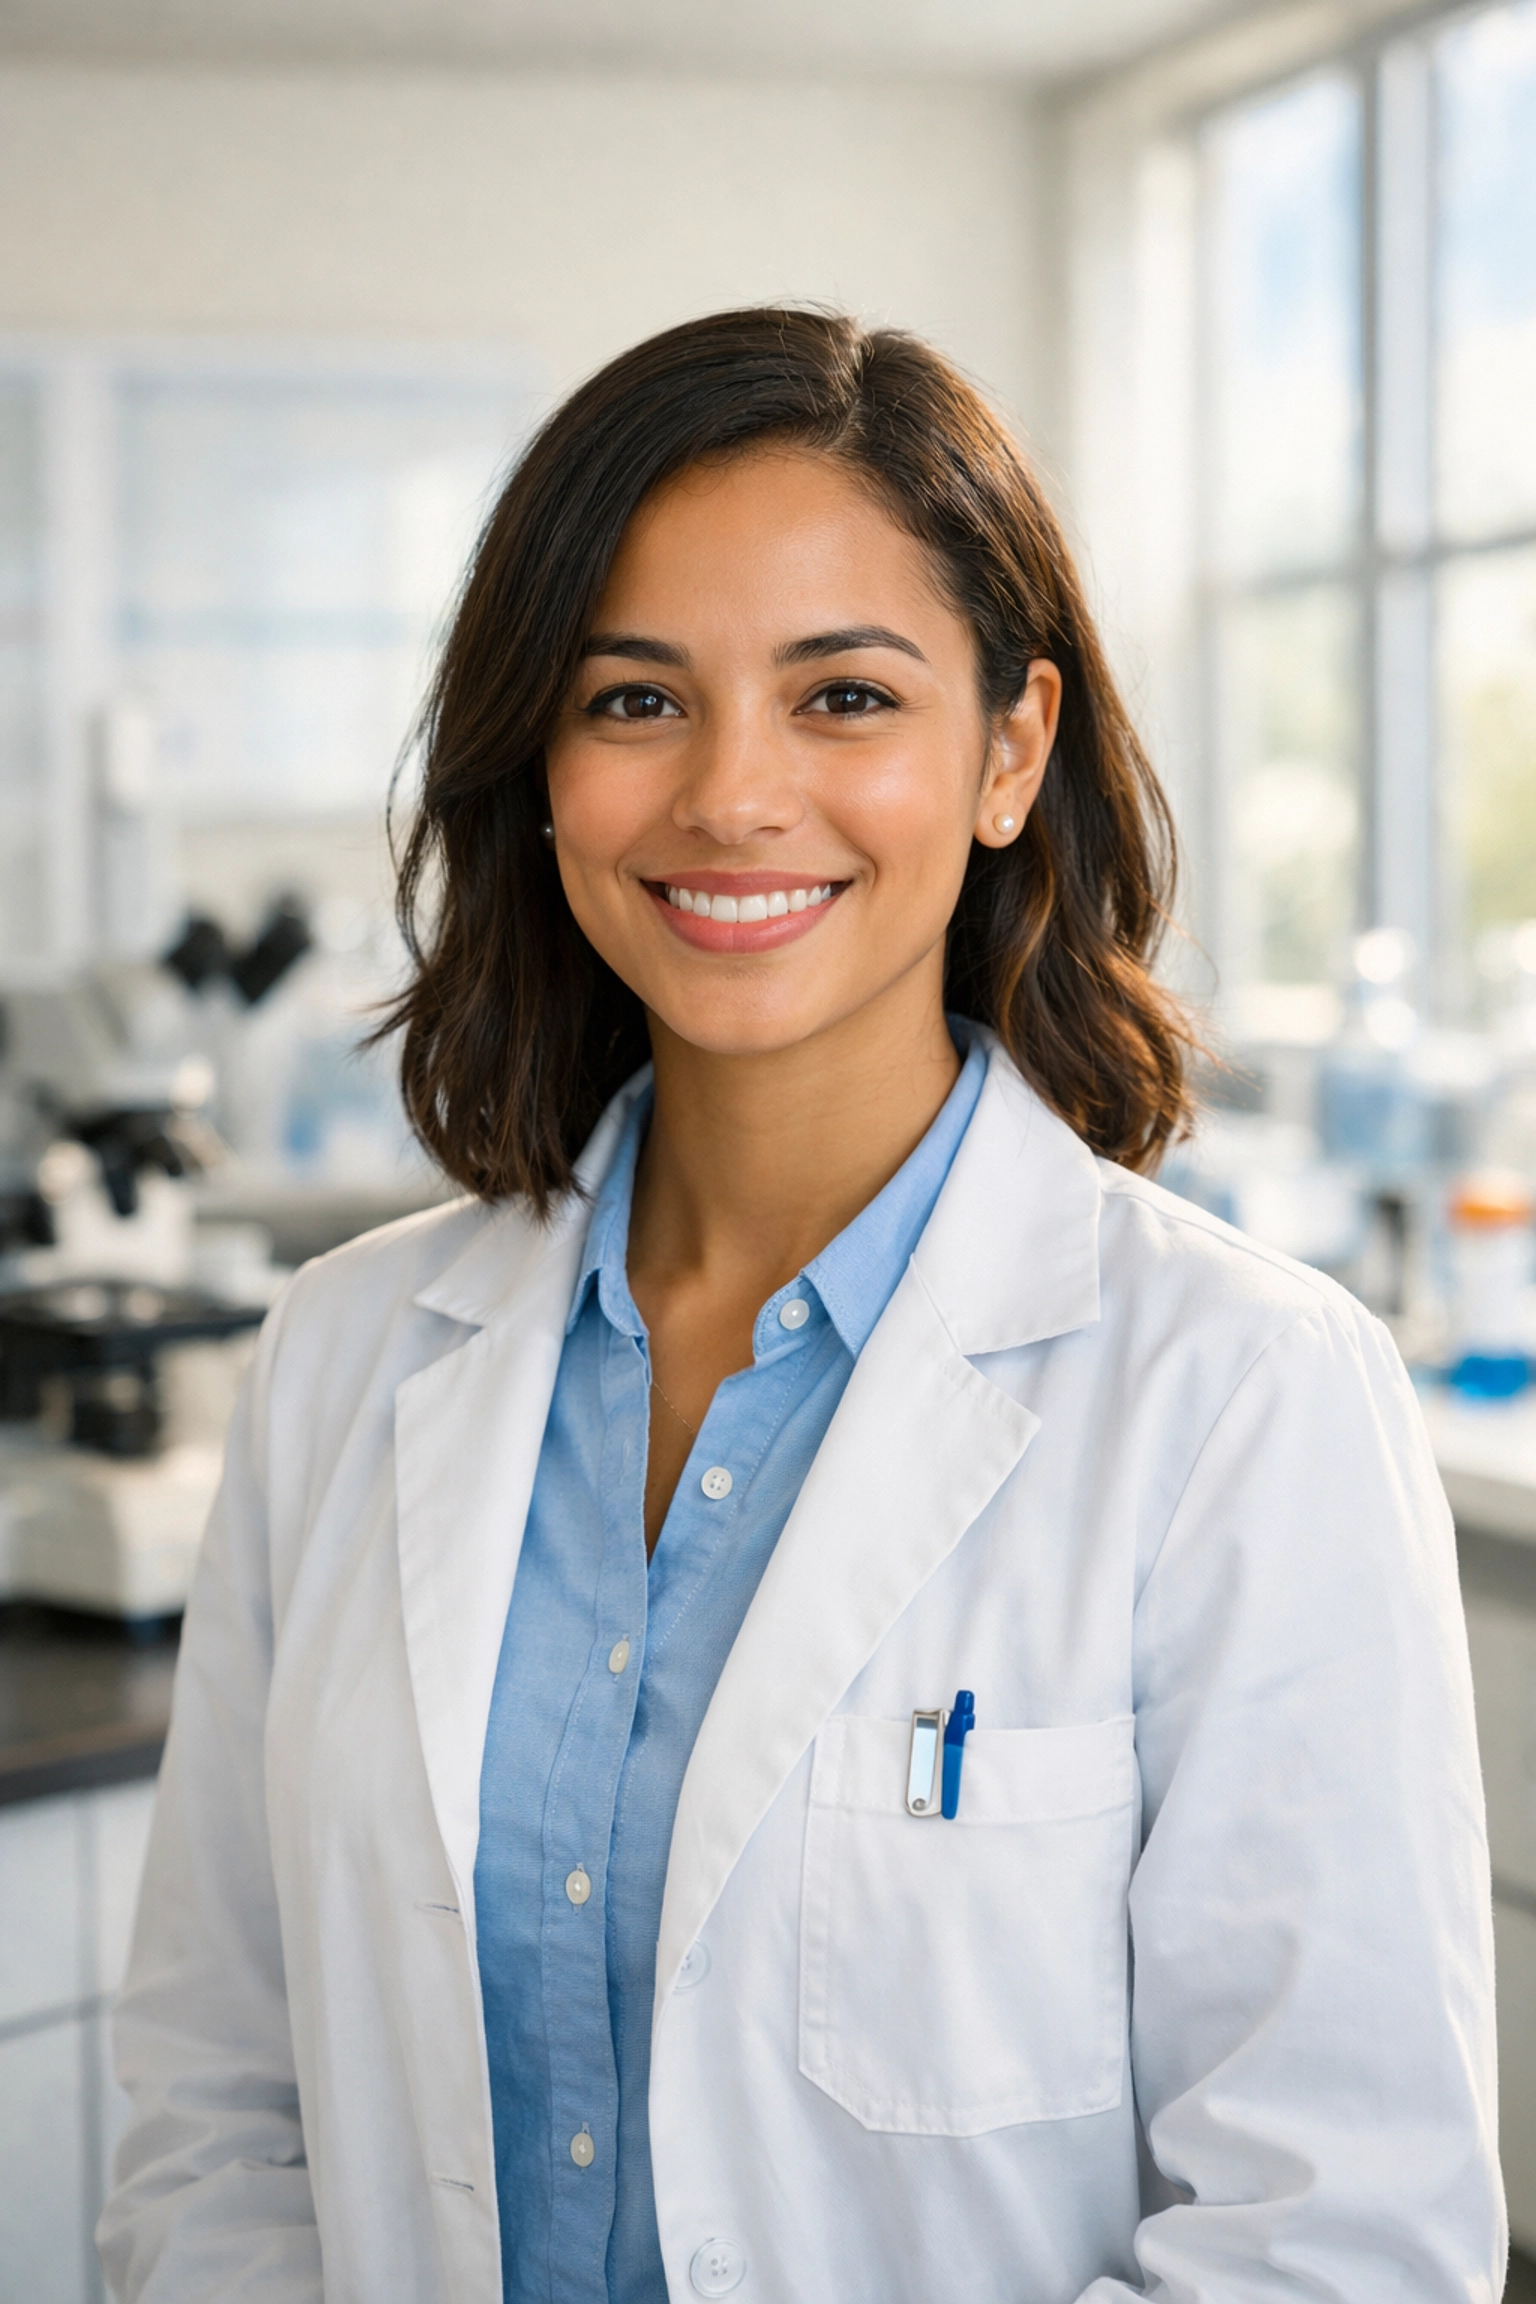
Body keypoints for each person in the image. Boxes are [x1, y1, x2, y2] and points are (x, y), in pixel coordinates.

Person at [99, 308, 1503, 2304]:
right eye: (635, 701)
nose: (734, 799)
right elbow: (215, 2118)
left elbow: (1340, 2240)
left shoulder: (1244, 1397)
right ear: (544, 765)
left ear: (1009, 750)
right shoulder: (343, 1359)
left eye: (845, 697)